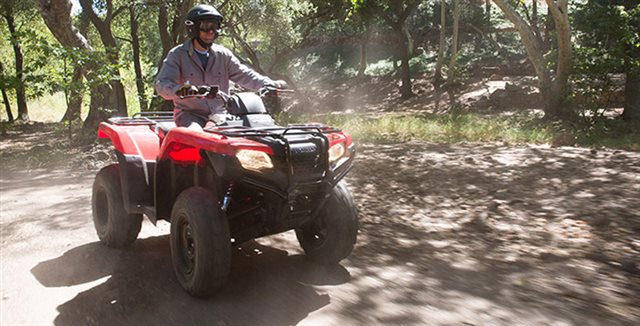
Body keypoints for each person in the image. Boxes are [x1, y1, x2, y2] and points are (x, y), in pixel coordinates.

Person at [155, 4, 286, 128]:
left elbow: (244, 74)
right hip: (191, 115)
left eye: (215, 26)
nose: (211, 31)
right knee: (196, 136)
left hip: (220, 115)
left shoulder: (223, 55)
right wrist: (187, 91)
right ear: (193, 28)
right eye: (206, 26)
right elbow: (162, 85)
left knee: (249, 133)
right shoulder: (178, 55)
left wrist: (268, 83)